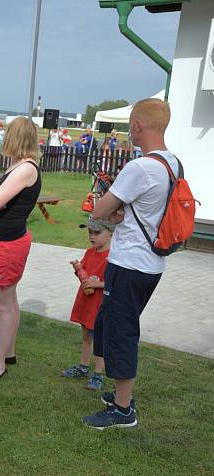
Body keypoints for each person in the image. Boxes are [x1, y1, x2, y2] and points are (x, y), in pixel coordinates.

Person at [83, 98, 176, 429]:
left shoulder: (140, 167)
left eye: (130, 125)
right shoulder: (172, 164)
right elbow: (143, 210)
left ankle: (123, 410)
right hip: (151, 262)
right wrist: (119, 212)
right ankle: (120, 395)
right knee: (110, 324)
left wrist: (109, 209)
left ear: (138, 125)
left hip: (130, 263)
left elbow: (98, 210)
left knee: (121, 331)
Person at [0, 116, 42, 381]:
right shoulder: (19, 166)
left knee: (2, 304)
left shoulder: (26, 169)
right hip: (5, 243)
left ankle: (0, 363)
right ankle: (7, 352)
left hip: (9, 245)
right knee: (9, 301)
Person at [62, 217, 114, 391]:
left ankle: (98, 374)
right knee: (86, 336)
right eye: (90, 232)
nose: (92, 236)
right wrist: (78, 268)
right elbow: (84, 276)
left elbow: (115, 283)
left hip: (99, 305)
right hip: (86, 301)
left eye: (97, 232)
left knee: (99, 339)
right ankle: (83, 367)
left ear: (111, 234)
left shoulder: (114, 257)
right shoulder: (90, 252)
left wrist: (96, 284)